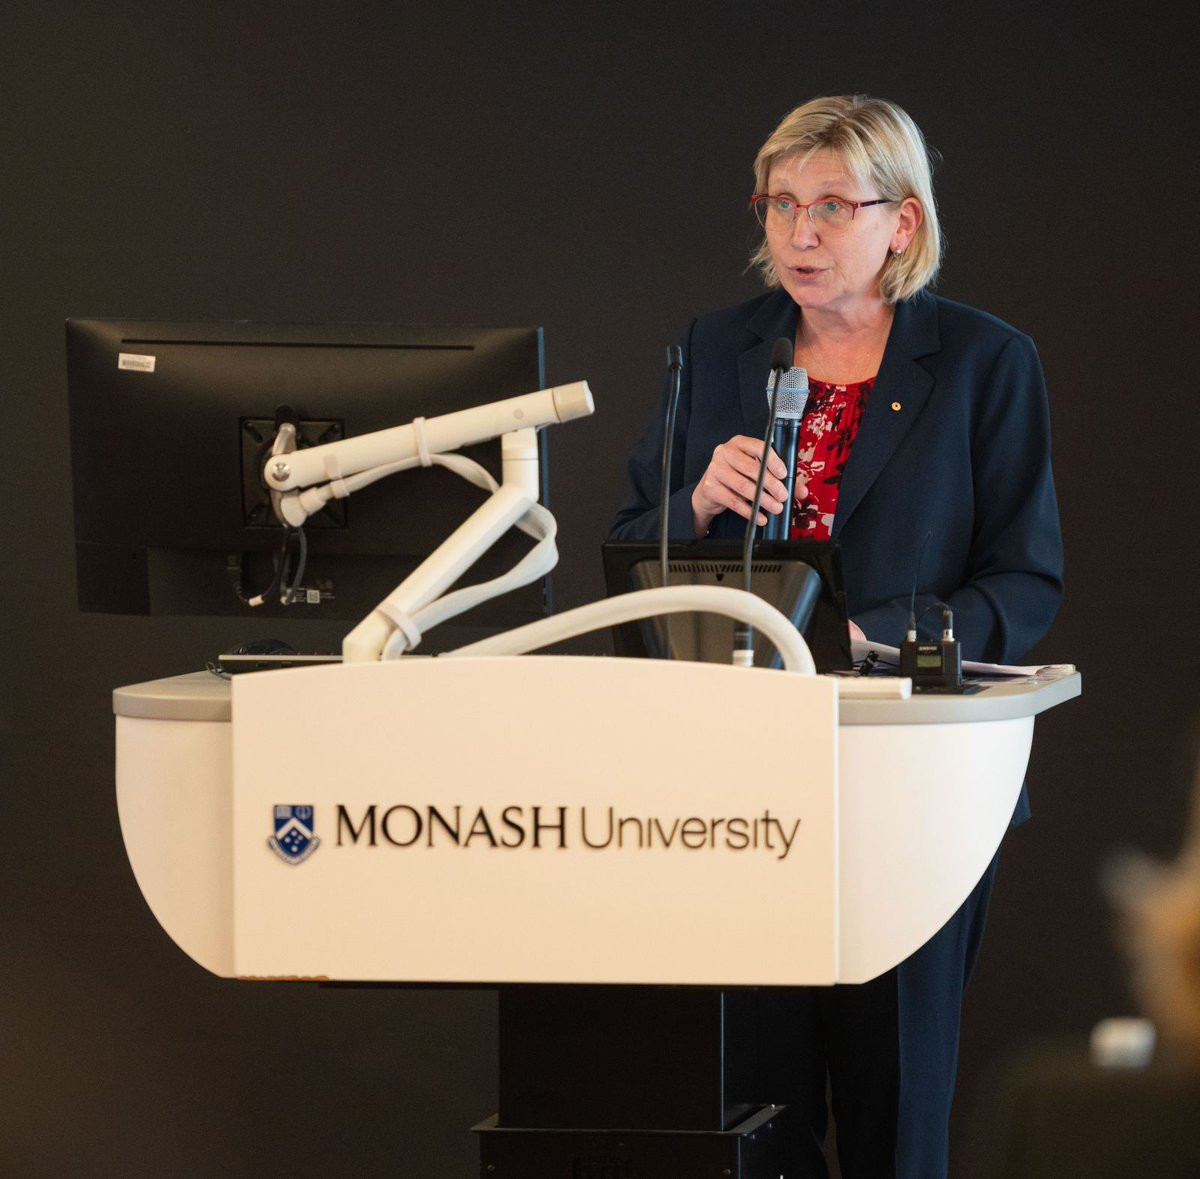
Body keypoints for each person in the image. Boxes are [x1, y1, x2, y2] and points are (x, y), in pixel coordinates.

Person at [610, 95, 1064, 1178]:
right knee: (752, 1115)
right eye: (780, 205)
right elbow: (629, 551)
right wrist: (695, 504)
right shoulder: (715, 349)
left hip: (908, 783)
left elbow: (1023, 580)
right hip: (732, 790)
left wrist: (871, 634)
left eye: (829, 207)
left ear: (902, 222)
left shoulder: (983, 362)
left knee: (892, 1112)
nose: (799, 233)